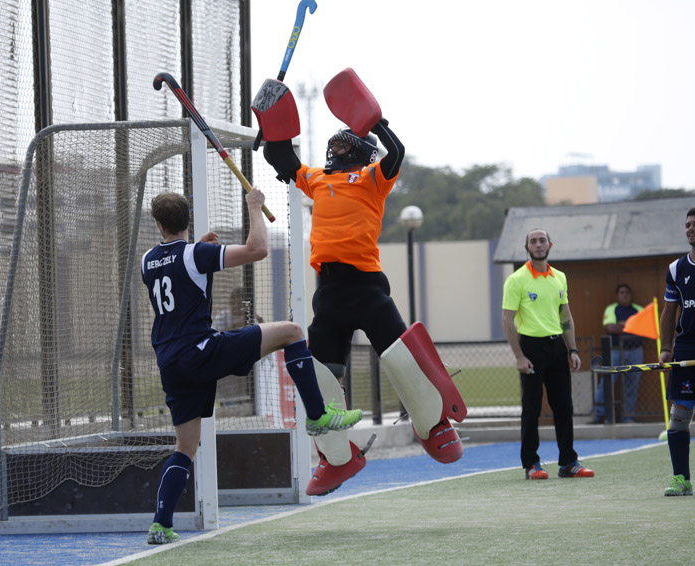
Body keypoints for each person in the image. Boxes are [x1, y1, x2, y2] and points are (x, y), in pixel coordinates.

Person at [140, 189, 363, 544]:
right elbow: (257, 249)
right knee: (291, 332)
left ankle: (160, 525)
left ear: (159, 225)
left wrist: (200, 247)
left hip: (170, 362)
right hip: (200, 350)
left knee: (185, 447)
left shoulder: (148, 259)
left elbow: (177, 275)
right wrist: (254, 207)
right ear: (187, 218)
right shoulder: (197, 254)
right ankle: (318, 415)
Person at [263, 117, 464, 496]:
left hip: (368, 287)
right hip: (330, 292)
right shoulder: (316, 178)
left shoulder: (373, 177)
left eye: (343, 145)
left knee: (406, 361)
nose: (335, 149)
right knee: (319, 380)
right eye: (334, 144)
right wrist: (272, 121)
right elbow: (281, 156)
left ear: (360, 151)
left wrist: (377, 121)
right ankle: (338, 459)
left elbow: (397, 152)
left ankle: (436, 425)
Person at [501, 228, 595, 480]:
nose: (538, 244)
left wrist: (572, 349)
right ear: (527, 248)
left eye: (542, 240)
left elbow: (565, 315)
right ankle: (531, 464)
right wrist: (519, 356)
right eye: (534, 241)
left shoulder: (560, 278)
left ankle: (568, 462)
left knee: (564, 407)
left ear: (550, 245)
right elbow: (507, 321)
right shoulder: (517, 279)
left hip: (556, 349)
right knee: (531, 408)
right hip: (530, 348)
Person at [659, 206, 695, 496]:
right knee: (679, 417)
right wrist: (666, 348)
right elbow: (669, 313)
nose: (691, 229)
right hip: (686, 349)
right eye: (687, 225)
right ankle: (681, 479)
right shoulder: (675, 269)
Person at [589, 284, 644, 424]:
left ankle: (628, 416)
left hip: (635, 351)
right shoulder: (612, 308)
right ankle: (599, 414)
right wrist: (630, 326)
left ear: (631, 295)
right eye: (622, 292)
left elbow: (643, 329)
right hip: (615, 352)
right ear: (617, 295)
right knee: (607, 381)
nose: (625, 295)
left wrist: (622, 324)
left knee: (632, 384)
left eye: (627, 292)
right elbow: (611, 328)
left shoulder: (638, 309)